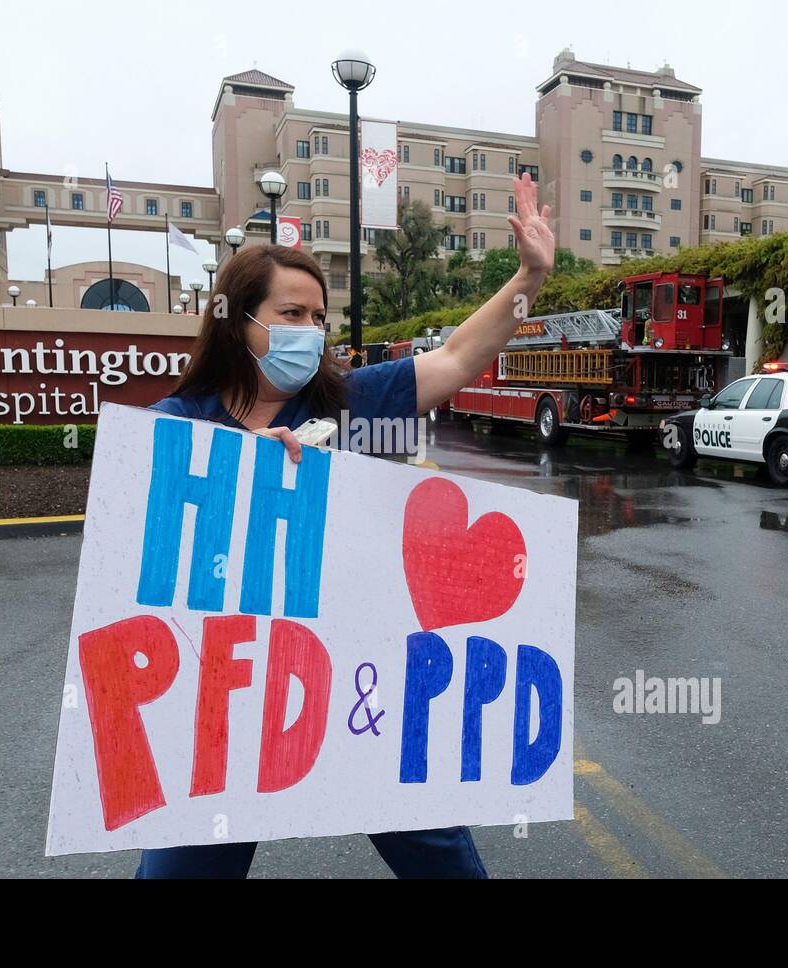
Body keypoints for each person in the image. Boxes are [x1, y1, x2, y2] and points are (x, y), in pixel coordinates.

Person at [139, 173, 554, 878]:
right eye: (292, 314)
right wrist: (235, 468)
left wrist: (530, 276)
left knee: (441, 858)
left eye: (319, 317)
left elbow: (457, 357)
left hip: (358, 689)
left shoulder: (355, 404)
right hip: (228, 708)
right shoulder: (177, 426)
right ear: (240, 320)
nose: (311, 331)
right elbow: (130, 525)